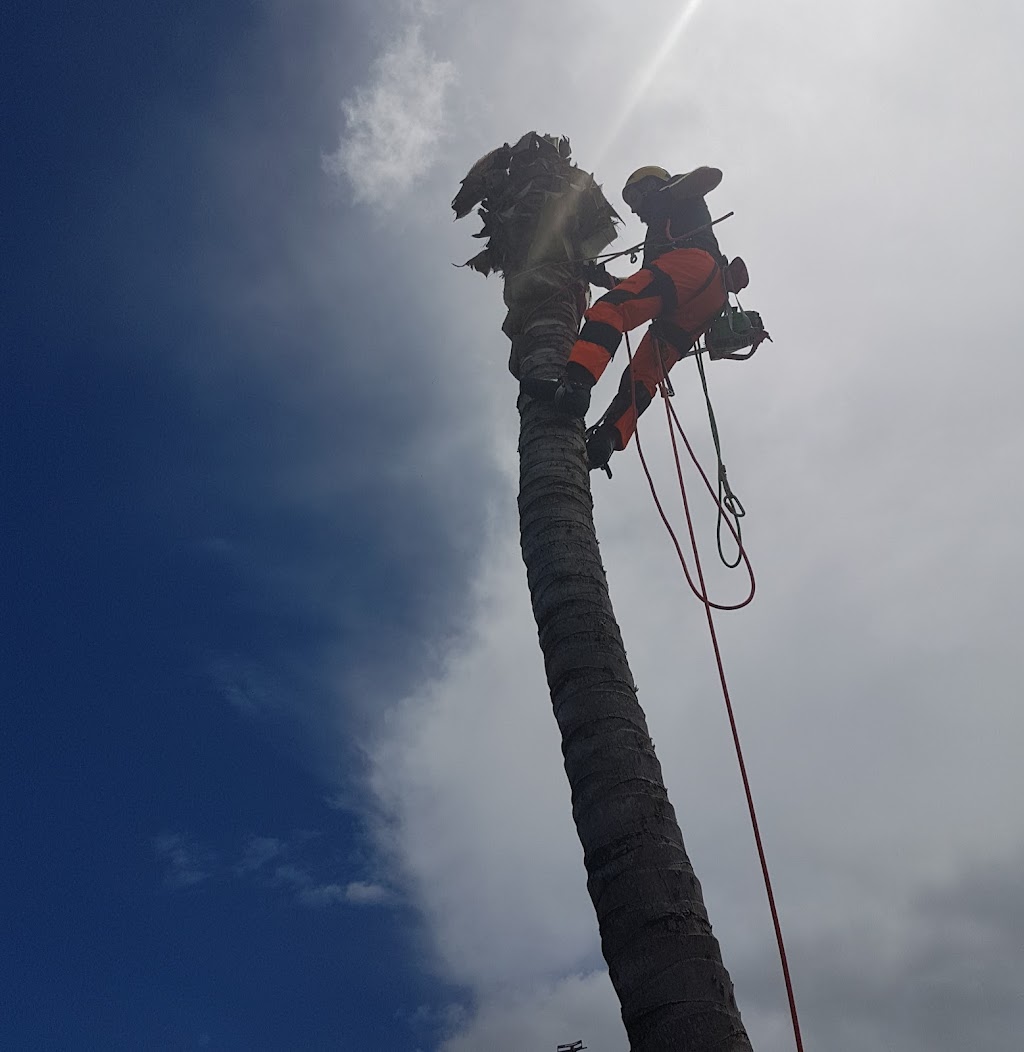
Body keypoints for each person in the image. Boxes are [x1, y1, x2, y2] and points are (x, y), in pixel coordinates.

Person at [552, 165, 730, 473]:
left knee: (610, 310)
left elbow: (711, 175)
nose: (635, 210)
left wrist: (667, 194)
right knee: (645, 373)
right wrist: (603, 278)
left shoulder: (676, 192)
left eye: (635, 197)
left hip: (693, 266)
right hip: (703, 300)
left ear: (652, 184)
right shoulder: (658, 234)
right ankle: (607, 437)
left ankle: (577, 383)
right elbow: (646, 285)